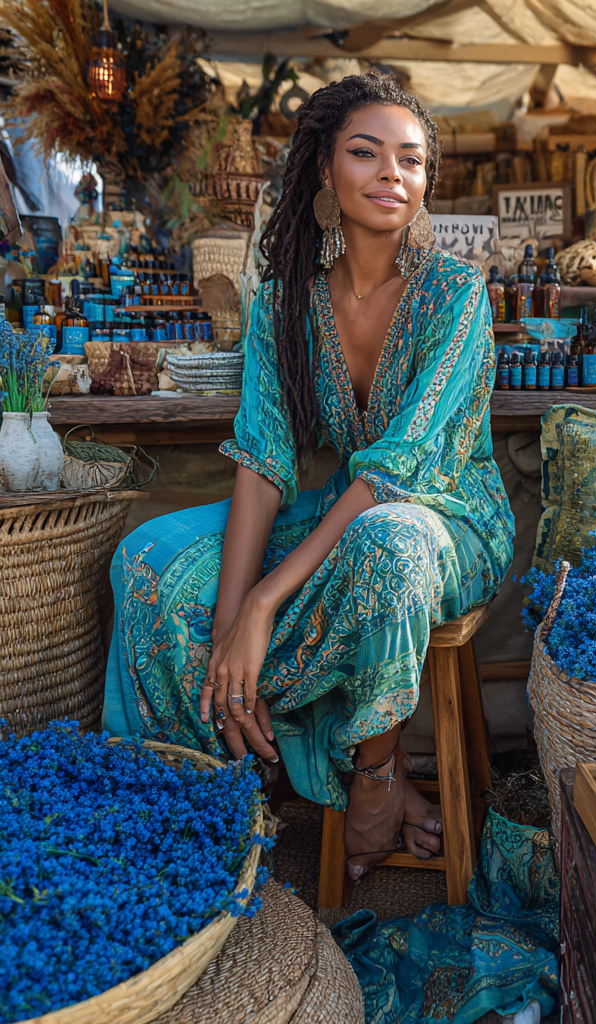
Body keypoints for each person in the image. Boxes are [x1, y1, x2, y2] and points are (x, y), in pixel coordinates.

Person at [102, 73, 514, 881]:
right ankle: (209, 796)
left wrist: (265, 601)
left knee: (387, 542)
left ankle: (374, 782)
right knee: (146, 559)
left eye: (413, 159)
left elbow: (399, 471)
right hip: (350, 512)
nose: (393, 173)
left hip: (449, 517)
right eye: (367, 153)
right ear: (325, 170)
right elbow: (262, 461)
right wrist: (232, 637)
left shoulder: (458, 296)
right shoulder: (285, 303)